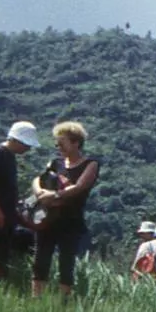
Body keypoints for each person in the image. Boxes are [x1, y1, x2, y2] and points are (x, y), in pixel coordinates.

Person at [30, 121, 101, 298]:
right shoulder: (55, 163)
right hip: (48, 219)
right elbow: (38, 179)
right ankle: (36, 298)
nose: (58, 147)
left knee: (66, 262)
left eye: (62, 143)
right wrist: (40, 193)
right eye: (57, 143)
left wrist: (54, 196)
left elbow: (79, 187)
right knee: (40, 259)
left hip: (70, 221)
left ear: (76, 142)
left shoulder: (90, 164)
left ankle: (64, 301)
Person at [0, 121, 40, 288]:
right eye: (27, 145)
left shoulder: (9, 157)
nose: (28, 149)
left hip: (4, 219)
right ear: (17, 141)